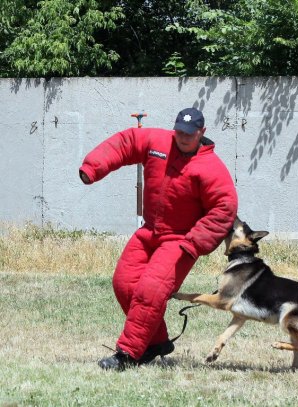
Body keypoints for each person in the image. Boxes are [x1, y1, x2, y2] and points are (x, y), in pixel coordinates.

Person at [79, 107, 238, 371]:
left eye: (190, 134)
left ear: (202, 133)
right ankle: (157, 342)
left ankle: (128, 354)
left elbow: (225, 206)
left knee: (149, 291)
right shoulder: (158, 142)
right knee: (124, 283)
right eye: (179, 132)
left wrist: (195, 243)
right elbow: (127, 142)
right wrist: (92, 167)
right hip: (150, 231)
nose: (183, 138)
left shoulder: (211, 167)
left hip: (180, 240)